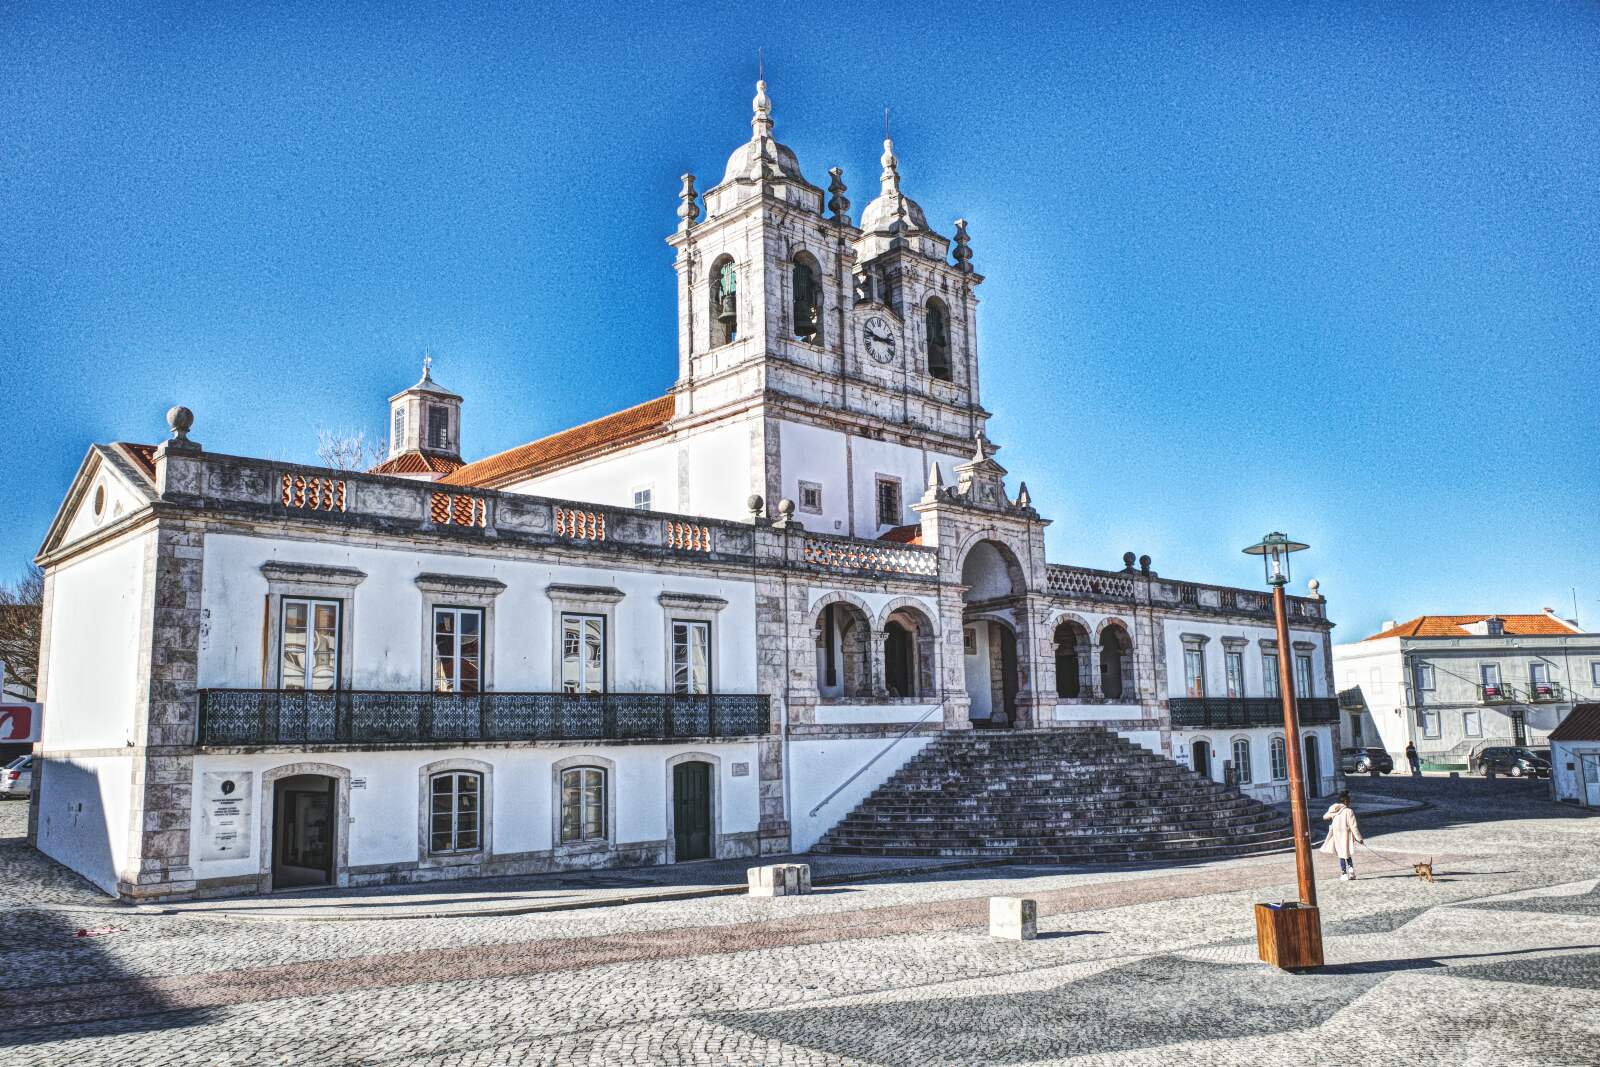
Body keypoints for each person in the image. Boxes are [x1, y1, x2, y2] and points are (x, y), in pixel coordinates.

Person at [1319, 790, 1365, 881]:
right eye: (1349, 801)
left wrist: (1333, 814)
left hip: (1336, 835)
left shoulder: (1334, 809)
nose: (1349, 803)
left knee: (1341, 854)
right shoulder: (1349, 811)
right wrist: (1359, 839)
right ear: (1345, 802)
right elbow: (1353, 826)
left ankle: (1344, 873)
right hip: (1346, 835)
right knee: (1347, 853)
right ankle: (1351, 870)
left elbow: (1325, 817)